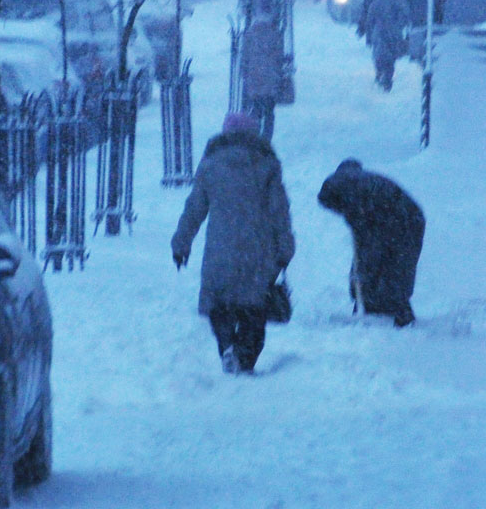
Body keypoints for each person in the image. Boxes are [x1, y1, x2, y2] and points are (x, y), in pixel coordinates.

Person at [171, 112, 296, 374]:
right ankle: (245, 358)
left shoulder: (210, 166)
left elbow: (194, 209)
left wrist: (181, 244)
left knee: (220, 305)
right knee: (254, 309)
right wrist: (285, 248)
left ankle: (227, 345)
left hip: (220, 249)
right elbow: (279, 211)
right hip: (258, 252)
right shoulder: (266, 166)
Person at [317, 159, 425, 327]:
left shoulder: (348, 189)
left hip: (406, 221)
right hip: (405, 218)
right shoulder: (355, 183)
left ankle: (394, 312)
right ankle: (377, 305)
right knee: (387, 265)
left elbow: (365, 237)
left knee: (393, 266)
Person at [239, 2, 287, 140]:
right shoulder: (275, 34)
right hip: (271, 78)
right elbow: (279, 57)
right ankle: (266, 138)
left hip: (254, 78)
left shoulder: (250, 33)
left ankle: (254, 135)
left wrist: (245, 72)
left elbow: (244, 56)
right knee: (269, 112)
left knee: (255, 110)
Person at [357, 0, 410, 91]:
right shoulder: (397, 4)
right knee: (390, 58)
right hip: (394, 34)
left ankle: (380, 73)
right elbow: (404, 18)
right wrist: (398, 28)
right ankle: (387, 79)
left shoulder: (375, 4)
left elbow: (370, 21)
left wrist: (369, 37)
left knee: (379, 56)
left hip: (378, 34)